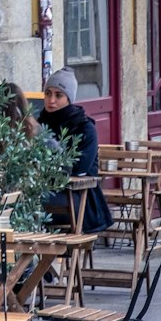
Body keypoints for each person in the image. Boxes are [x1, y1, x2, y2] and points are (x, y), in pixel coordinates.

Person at [37, 67, 113, 234]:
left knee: (31, 205)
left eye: (58, 95)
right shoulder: (39, 123)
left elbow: (78, 168)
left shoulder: (85, 127)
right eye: (48, 93)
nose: (51, 100)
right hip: (44, 192)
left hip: (79, 198)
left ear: (69, 98)